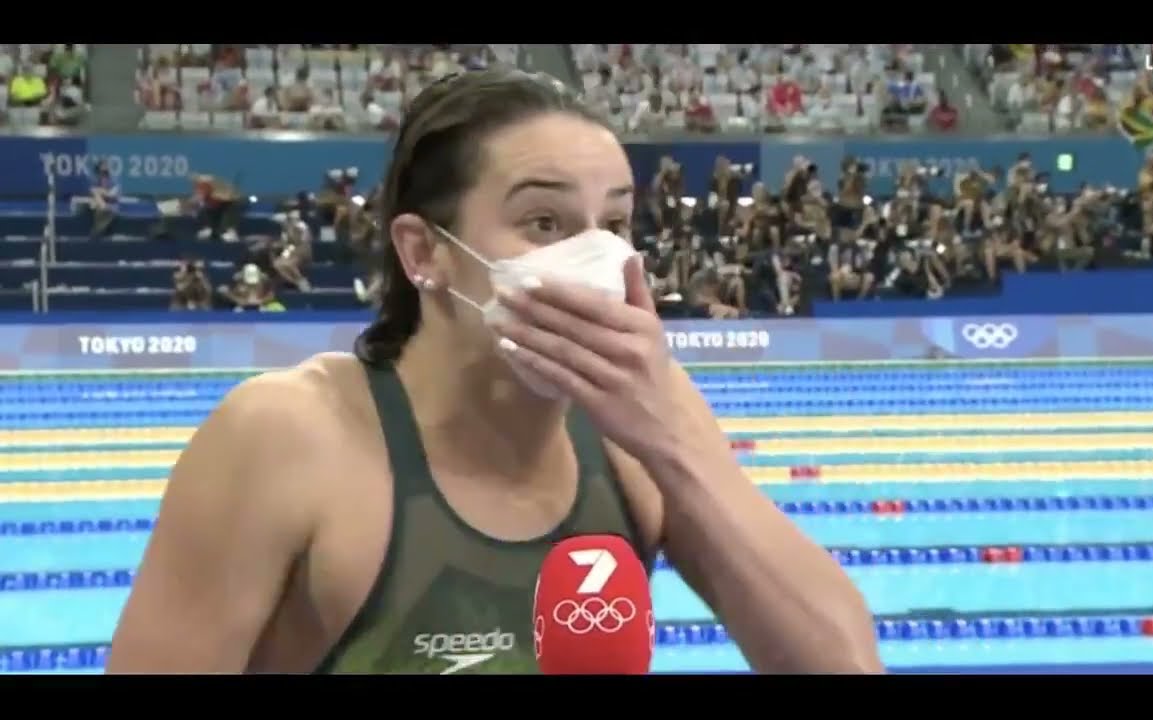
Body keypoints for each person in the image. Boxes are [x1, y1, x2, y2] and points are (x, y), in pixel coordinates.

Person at [107, 69, 881, 675]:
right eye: (544, 222)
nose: (598, 256)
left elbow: (844, 664)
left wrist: (677, 449)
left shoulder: (641, 435)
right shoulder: (287, 437)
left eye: (614, 223)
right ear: (424, 253)